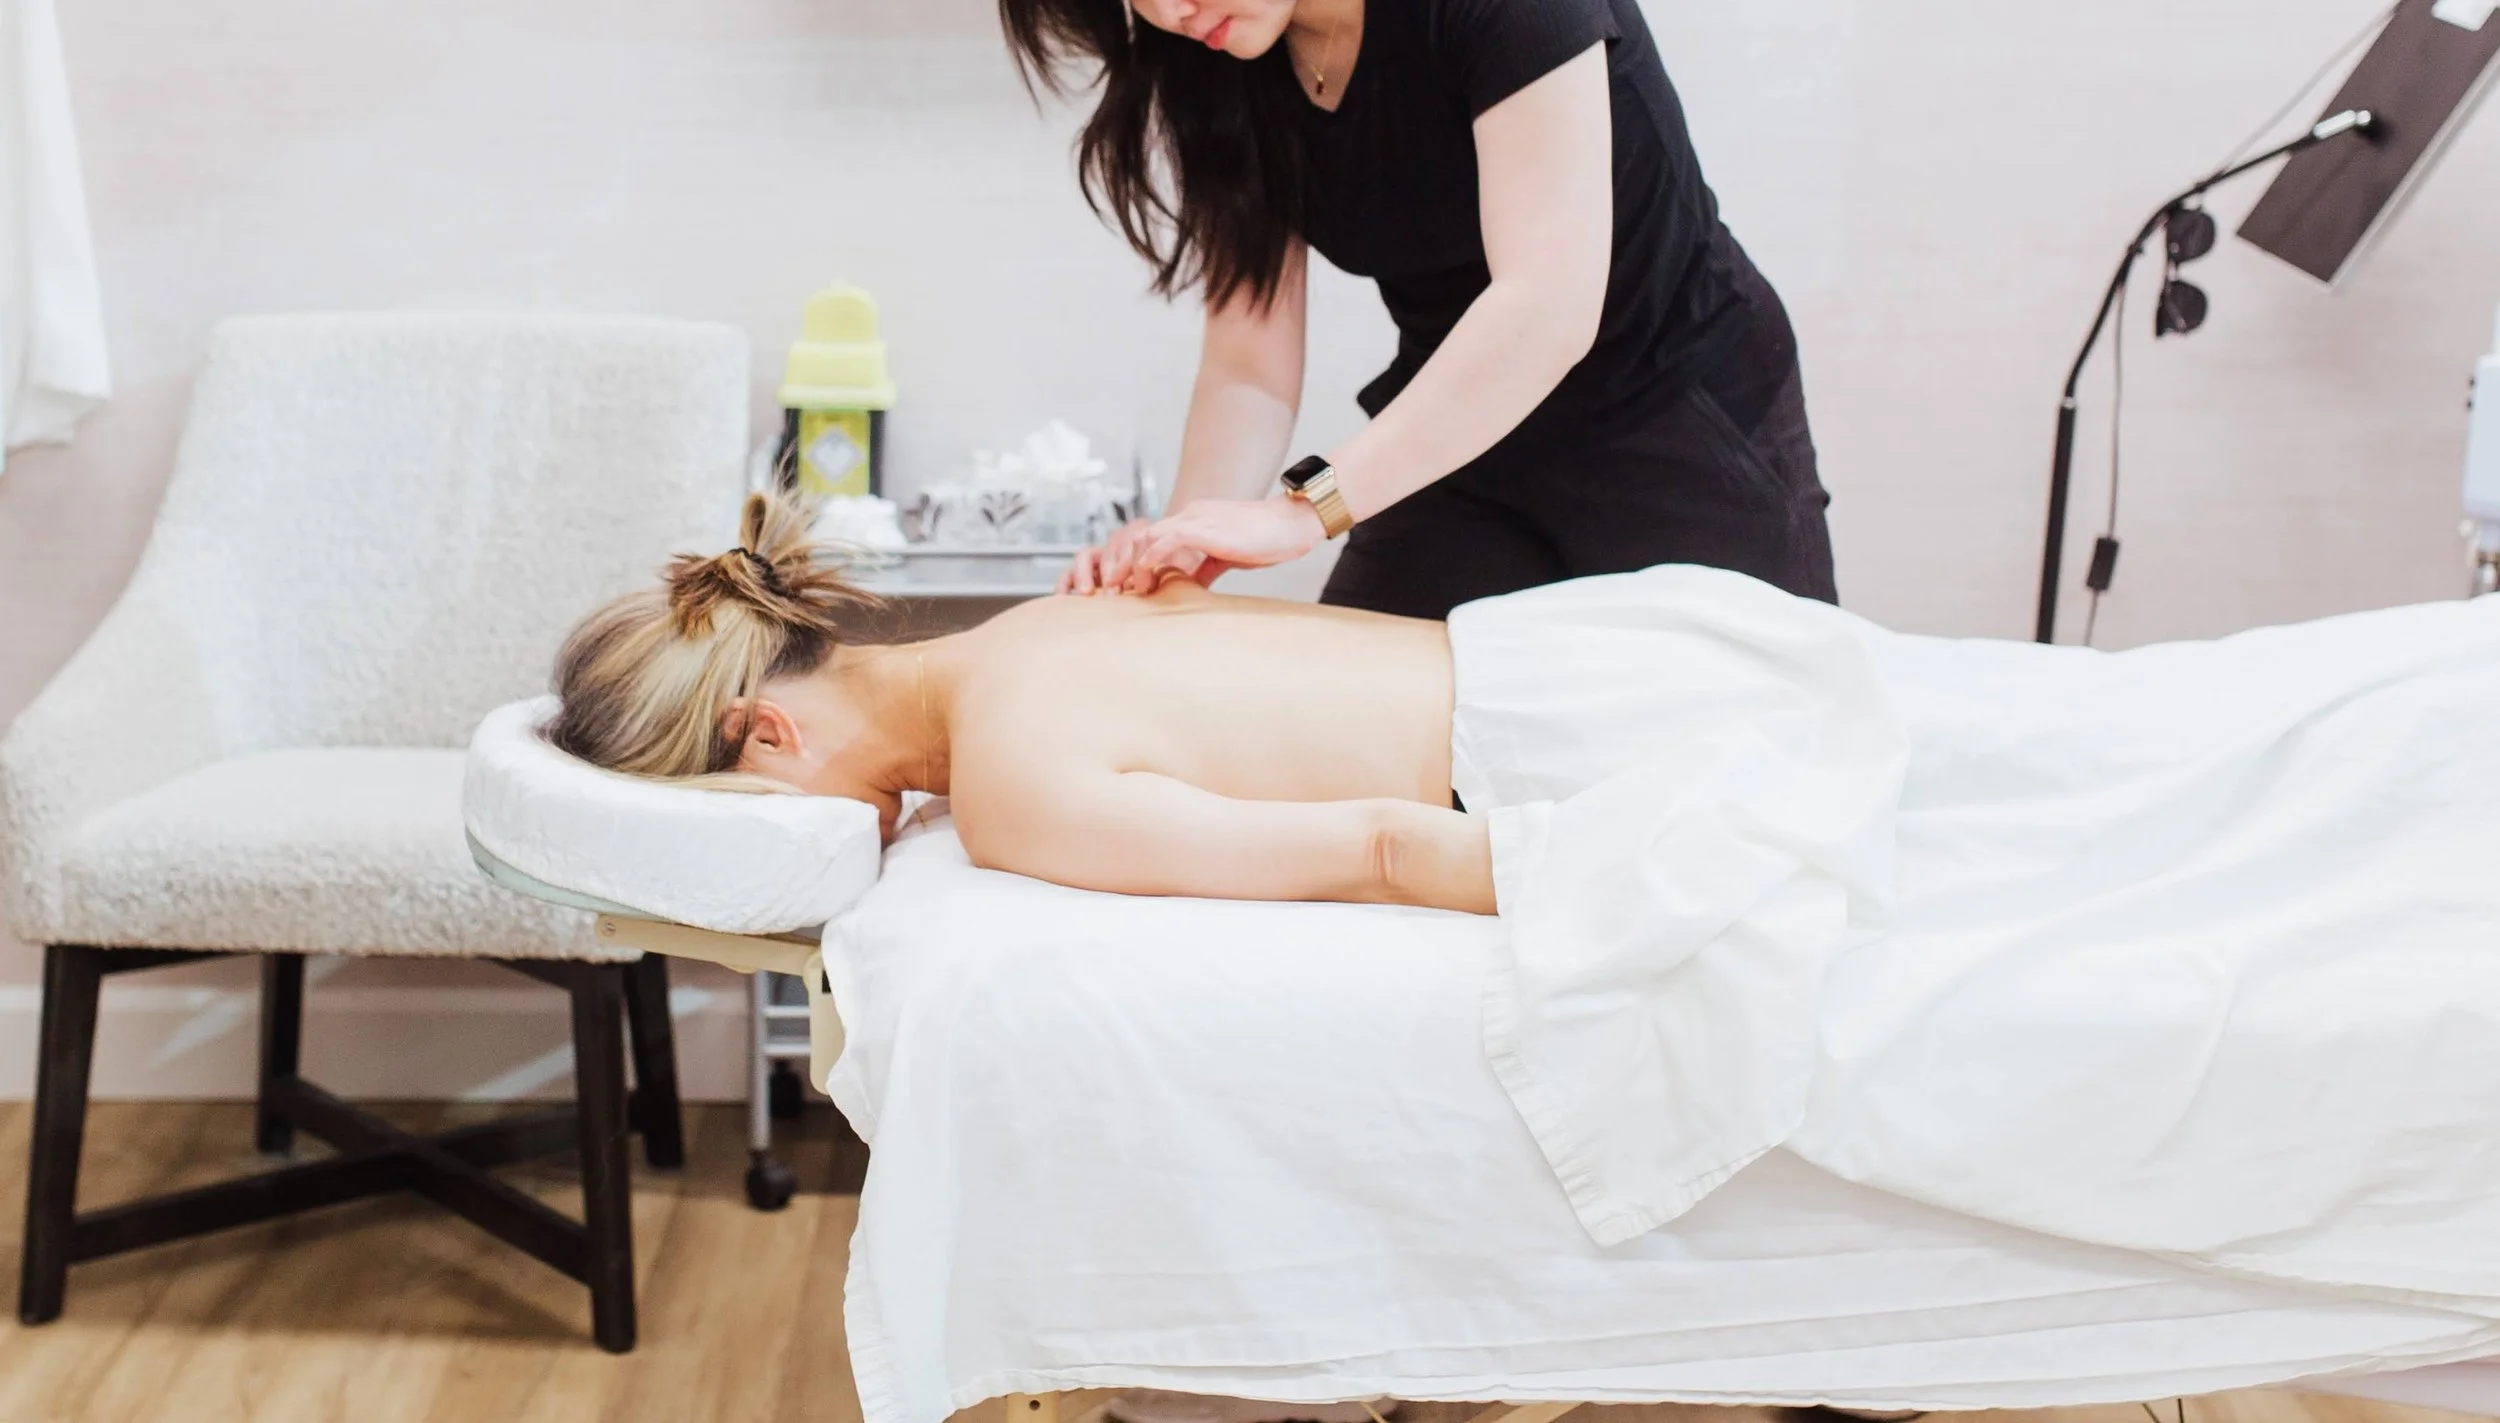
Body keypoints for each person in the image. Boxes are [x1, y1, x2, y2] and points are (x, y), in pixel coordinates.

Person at [1001, 0, 1836, 615]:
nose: (1167, 10)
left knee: (1743, 794)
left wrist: (1302, 512)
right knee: (1359, 762)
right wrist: (1176, 551)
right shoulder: (1215, 57)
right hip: (1460, 445)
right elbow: (1249, 367)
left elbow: (1546, 306)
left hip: (1679, 420)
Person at [550, 495, 1495, 915]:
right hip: (1545, 639)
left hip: (1549, 753)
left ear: (766, 731)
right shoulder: (1042, 619)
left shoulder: (1009, 787)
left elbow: (1386, 849)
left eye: (750, 815)